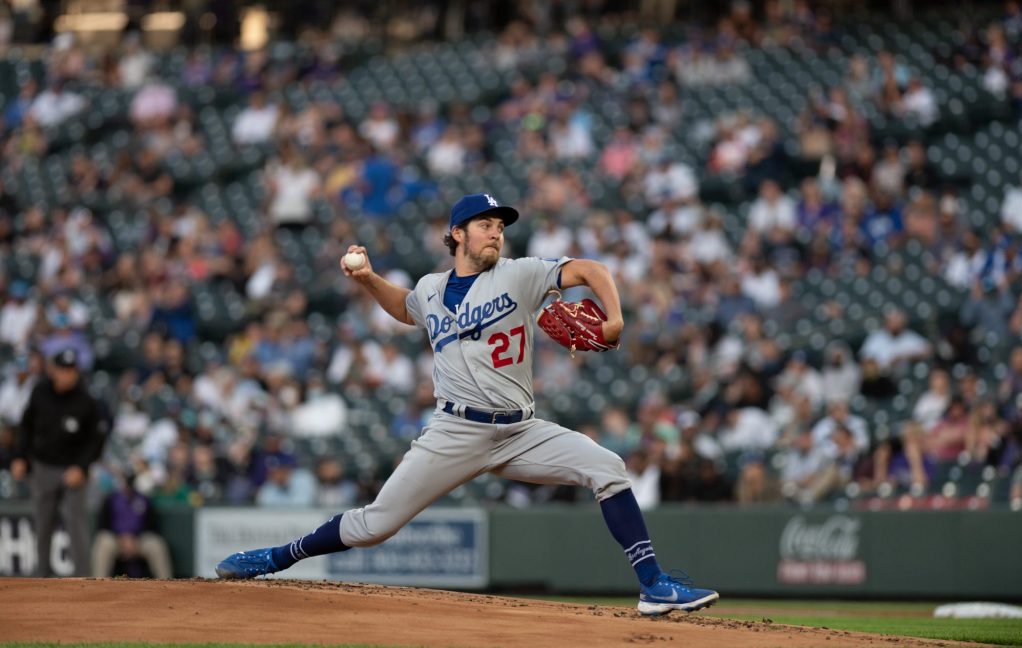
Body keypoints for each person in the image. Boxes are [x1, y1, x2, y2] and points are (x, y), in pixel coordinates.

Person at [215, 193, 719, 616]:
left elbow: (591, 268)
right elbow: (406, 309)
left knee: (607, 467)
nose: (495, 233)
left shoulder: (519, 274)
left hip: (521, 431)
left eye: (500, 226)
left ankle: (653, 585)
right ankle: (276, 557)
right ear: (457, 233)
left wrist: (615, 319)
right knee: (374, 526)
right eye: (485, 225)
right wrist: (368, 278)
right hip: (455, 432)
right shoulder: (432, 289)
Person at [11, 348, 106, 577]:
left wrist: (82, 467)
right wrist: (20, 456)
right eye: (63, 369)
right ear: (53, 370)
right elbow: (26, 427)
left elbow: (96, 439)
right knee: (43, 524)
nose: (67, 374)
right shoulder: (40, 392)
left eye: (71, 370)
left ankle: (84, 579)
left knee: (76, 525)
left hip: (73, 470)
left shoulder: (86, 401)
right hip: (43, 467)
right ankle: (41, 578)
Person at [91, 472, 174, 579]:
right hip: (116, 540)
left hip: (139, 540)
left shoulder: (144, 499)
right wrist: (121, 538)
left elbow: (152, 526)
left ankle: (167, 584)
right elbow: (102, 525)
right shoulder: (111, 499)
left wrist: (134, 538)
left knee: (156, 545)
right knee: (103, 542)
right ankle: (97, 584)